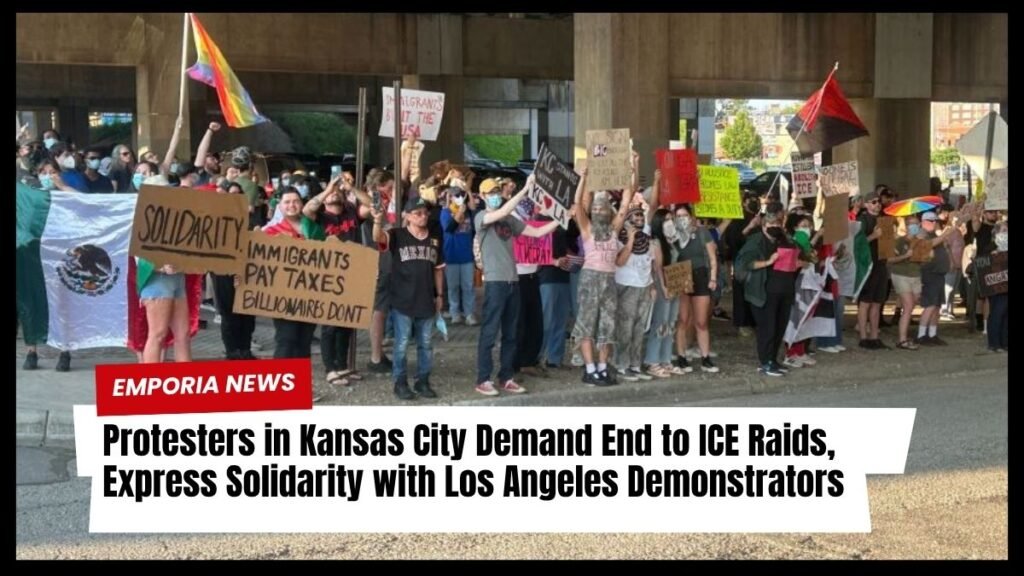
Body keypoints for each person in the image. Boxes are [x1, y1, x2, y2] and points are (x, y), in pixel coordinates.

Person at [473, 175, 558, 396]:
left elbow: (537, 232)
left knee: (511, 333)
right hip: (495, 281)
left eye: (496, 192)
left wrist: (562, 218)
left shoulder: (509, 220)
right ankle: (483, 378)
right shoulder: (482, 216)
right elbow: (499, 213)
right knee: (490, 332)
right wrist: (525, 190)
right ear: (482, 196)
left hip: (513, 280)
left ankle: (506, 376)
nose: (494, 196)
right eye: (490, 193)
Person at [371, 196, 446, 400]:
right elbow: (378, 237)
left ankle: (423, 381)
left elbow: (438, 269)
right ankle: (400, 382)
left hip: (426, 300)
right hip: (402, 300)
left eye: (425, 213)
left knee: (426, 344)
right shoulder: (397, 235)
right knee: (401, 343)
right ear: (407, 216)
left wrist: (440, 294)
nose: (423, 216)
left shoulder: (434, 240)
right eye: (418, 213)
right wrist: (377, 219)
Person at [303, 172, 368, 386]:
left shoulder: (351, 211)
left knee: (347, 323)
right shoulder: (320, 215)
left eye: (337, 192)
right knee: (330, 324)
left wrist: (352, 189)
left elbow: (372, 205)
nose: (334, 194)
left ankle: (343, 366)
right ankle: (330, 369)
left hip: (352, 273)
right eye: (332, 193)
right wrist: (328, 189)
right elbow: (307, 209)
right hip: (328, 275)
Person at [735, 205, 797, 377]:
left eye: (776, 223)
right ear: (763, 226)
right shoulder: (755, 241)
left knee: (779, 327)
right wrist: (768, 262)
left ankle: (773, 359)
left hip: (784, 290)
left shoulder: (784, 238)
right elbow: (746, 264)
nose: (774, 227)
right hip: (763, 292)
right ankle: (765, 362)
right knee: (767, 329)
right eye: (770, 224)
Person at [888, 215, 924, 350]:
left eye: (916, 224)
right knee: (908, 306)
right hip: (901, 275)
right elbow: (890, 260)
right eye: (911, 224)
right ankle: (902, 339)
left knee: (911, 306)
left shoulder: (920, 242)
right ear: (907, 226)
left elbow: (923, 260)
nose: (914, 227)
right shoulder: (899, 241)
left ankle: (905, 335)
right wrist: (905, 256)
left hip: (916, 275)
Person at [985, 221, 1008, 352]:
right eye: (1003, 231)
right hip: (995, 288)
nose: (1006, 233)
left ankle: (1004, 342)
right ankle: (994, 343)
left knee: (1005, 315)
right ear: (996, 234)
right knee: (997, 313)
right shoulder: (990, 248)